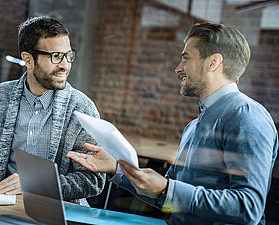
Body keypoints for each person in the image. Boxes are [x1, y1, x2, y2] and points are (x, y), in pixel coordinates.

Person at [67, 22, 278, 224]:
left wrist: (168, 190)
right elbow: (165, 198)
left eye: (186, 59)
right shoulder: (193, 127)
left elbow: (248, 207)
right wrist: (116, 169)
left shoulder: (247, 116)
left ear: (213, 62)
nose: (178, 68)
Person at [0, 16, 105, 206]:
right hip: (3, 202)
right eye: (55, 56)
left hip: (59, 210)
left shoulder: (83, 109)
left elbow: (92, 180)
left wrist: (34, 184)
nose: (65, 65)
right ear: (28, 59)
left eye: (68, 55)